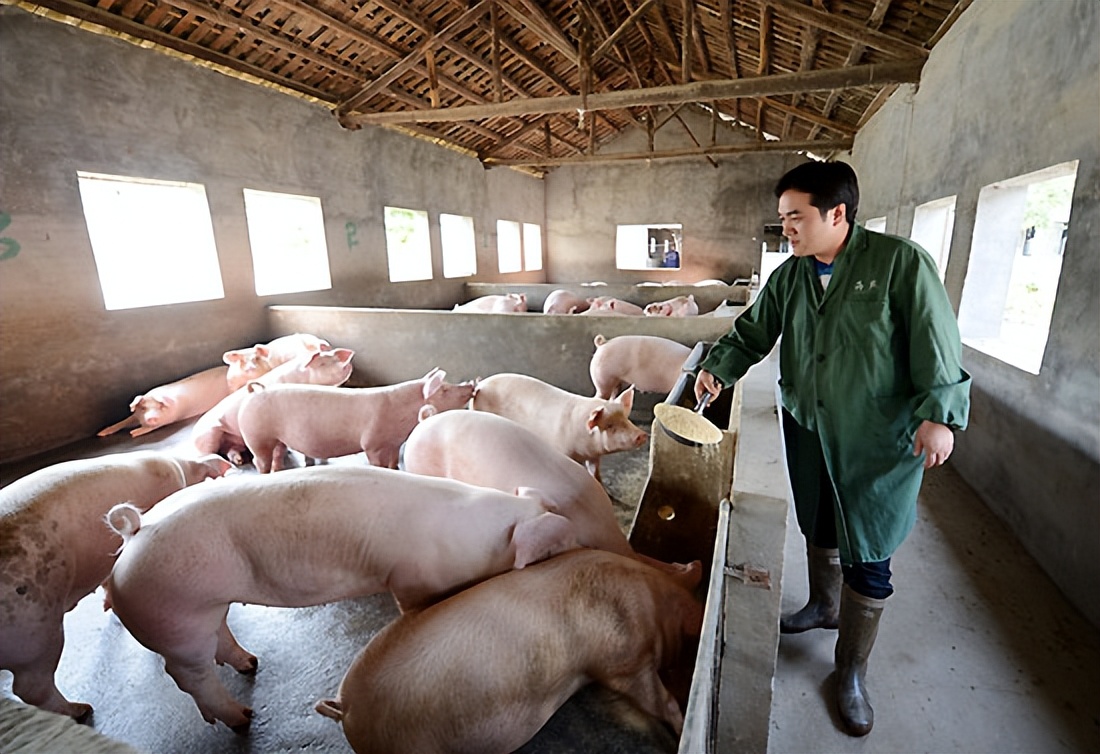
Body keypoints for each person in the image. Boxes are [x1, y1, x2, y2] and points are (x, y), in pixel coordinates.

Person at [694, 160, 970, 737]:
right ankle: (823, 605)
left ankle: (849, 672)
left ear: (837, 213)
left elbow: (936, 343)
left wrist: (938, 417)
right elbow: (753, 330)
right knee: (818, 523)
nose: (786, 229)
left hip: (876, 438)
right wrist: (719, 368)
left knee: (869, 548)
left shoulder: (899, 264)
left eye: (795, 217)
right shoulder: (791, 276)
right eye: (783, 219)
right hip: (806, 424)